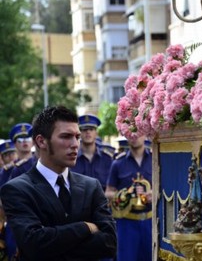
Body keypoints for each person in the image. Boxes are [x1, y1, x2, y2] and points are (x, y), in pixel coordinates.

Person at [0, 106, 117, 261]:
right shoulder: (17, 189)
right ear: (41, 141)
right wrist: (85, 227)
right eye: (66, 136)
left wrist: (53, 241)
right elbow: (33, 244)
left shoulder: (91, 186)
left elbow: (109, 243)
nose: (75, 144)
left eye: (77, 136)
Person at [105, 136, 152, 261]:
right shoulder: (117, 163)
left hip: (150, 221)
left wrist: (153, 193)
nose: (134, 135)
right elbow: (108, 192)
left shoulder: (155, 159)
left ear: (144, 134)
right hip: (126, 223)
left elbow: (166, 187)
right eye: (130, 132)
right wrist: (126, 195)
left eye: (138, 131)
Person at [70, 114, 114, 190]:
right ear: (79, 134)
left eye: (91, 129)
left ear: (96, 133)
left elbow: (112, 186)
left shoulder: (107, 158)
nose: (88, 132)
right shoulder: (71, 158)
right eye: (84, 129)